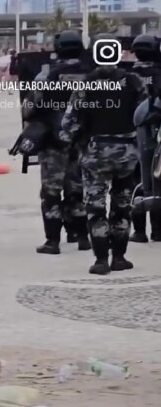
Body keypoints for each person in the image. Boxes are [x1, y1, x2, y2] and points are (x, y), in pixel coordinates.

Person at [61, 33, 146, 275]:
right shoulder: (134, 82)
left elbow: (69, 123)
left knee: (96, 206)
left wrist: (74, 143)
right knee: (122, 205)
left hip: (95, 152)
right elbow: (145, 115)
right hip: (128, 154)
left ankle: (100, 260)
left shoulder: (86, 84)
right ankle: (119, 257)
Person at [23, 30, 91, 255]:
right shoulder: (92, 74)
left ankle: (52, 241)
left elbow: (29, 109)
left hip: (54, 140)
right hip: (82, 140)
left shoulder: (48, 76)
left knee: (51, 191)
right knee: (77, 188)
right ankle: (82, 236)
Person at [130, 34, 161, 242]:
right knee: (156, 180)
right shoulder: (159, 72)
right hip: (155, 134)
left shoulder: (127, 73)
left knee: (135, 183)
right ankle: (158, 231)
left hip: (128, 135)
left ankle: (139, 231)